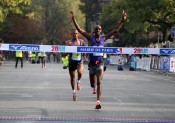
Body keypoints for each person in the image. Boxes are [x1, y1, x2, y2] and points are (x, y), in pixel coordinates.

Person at [70, 10, 127, 109]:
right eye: (96, 28)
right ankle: (93, 87)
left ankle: (98, 101)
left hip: (100, 62)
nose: (98, 30)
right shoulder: (90, 37)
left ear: (101, 31)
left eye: (99, 29)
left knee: (99, 81)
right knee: (93, 84)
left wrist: (122, 20)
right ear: (94, 31)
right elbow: (79, 30)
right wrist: (73, 18)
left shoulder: (103, 38)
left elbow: (115, 31)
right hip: (92, 64)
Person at [66, 29, 86, 101]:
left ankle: (78, 81)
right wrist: (66, 52)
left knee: (80, 72)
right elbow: (65, 53)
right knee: (72, 78)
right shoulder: (69, 43)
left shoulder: (81, 42)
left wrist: (85, 56)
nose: (75, 35)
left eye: (76, 33)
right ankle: (74, 92)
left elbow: (86, 49)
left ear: (78, 34)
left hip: (79, 61)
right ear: (71, 34)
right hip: (71, 61)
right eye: (74, 34)